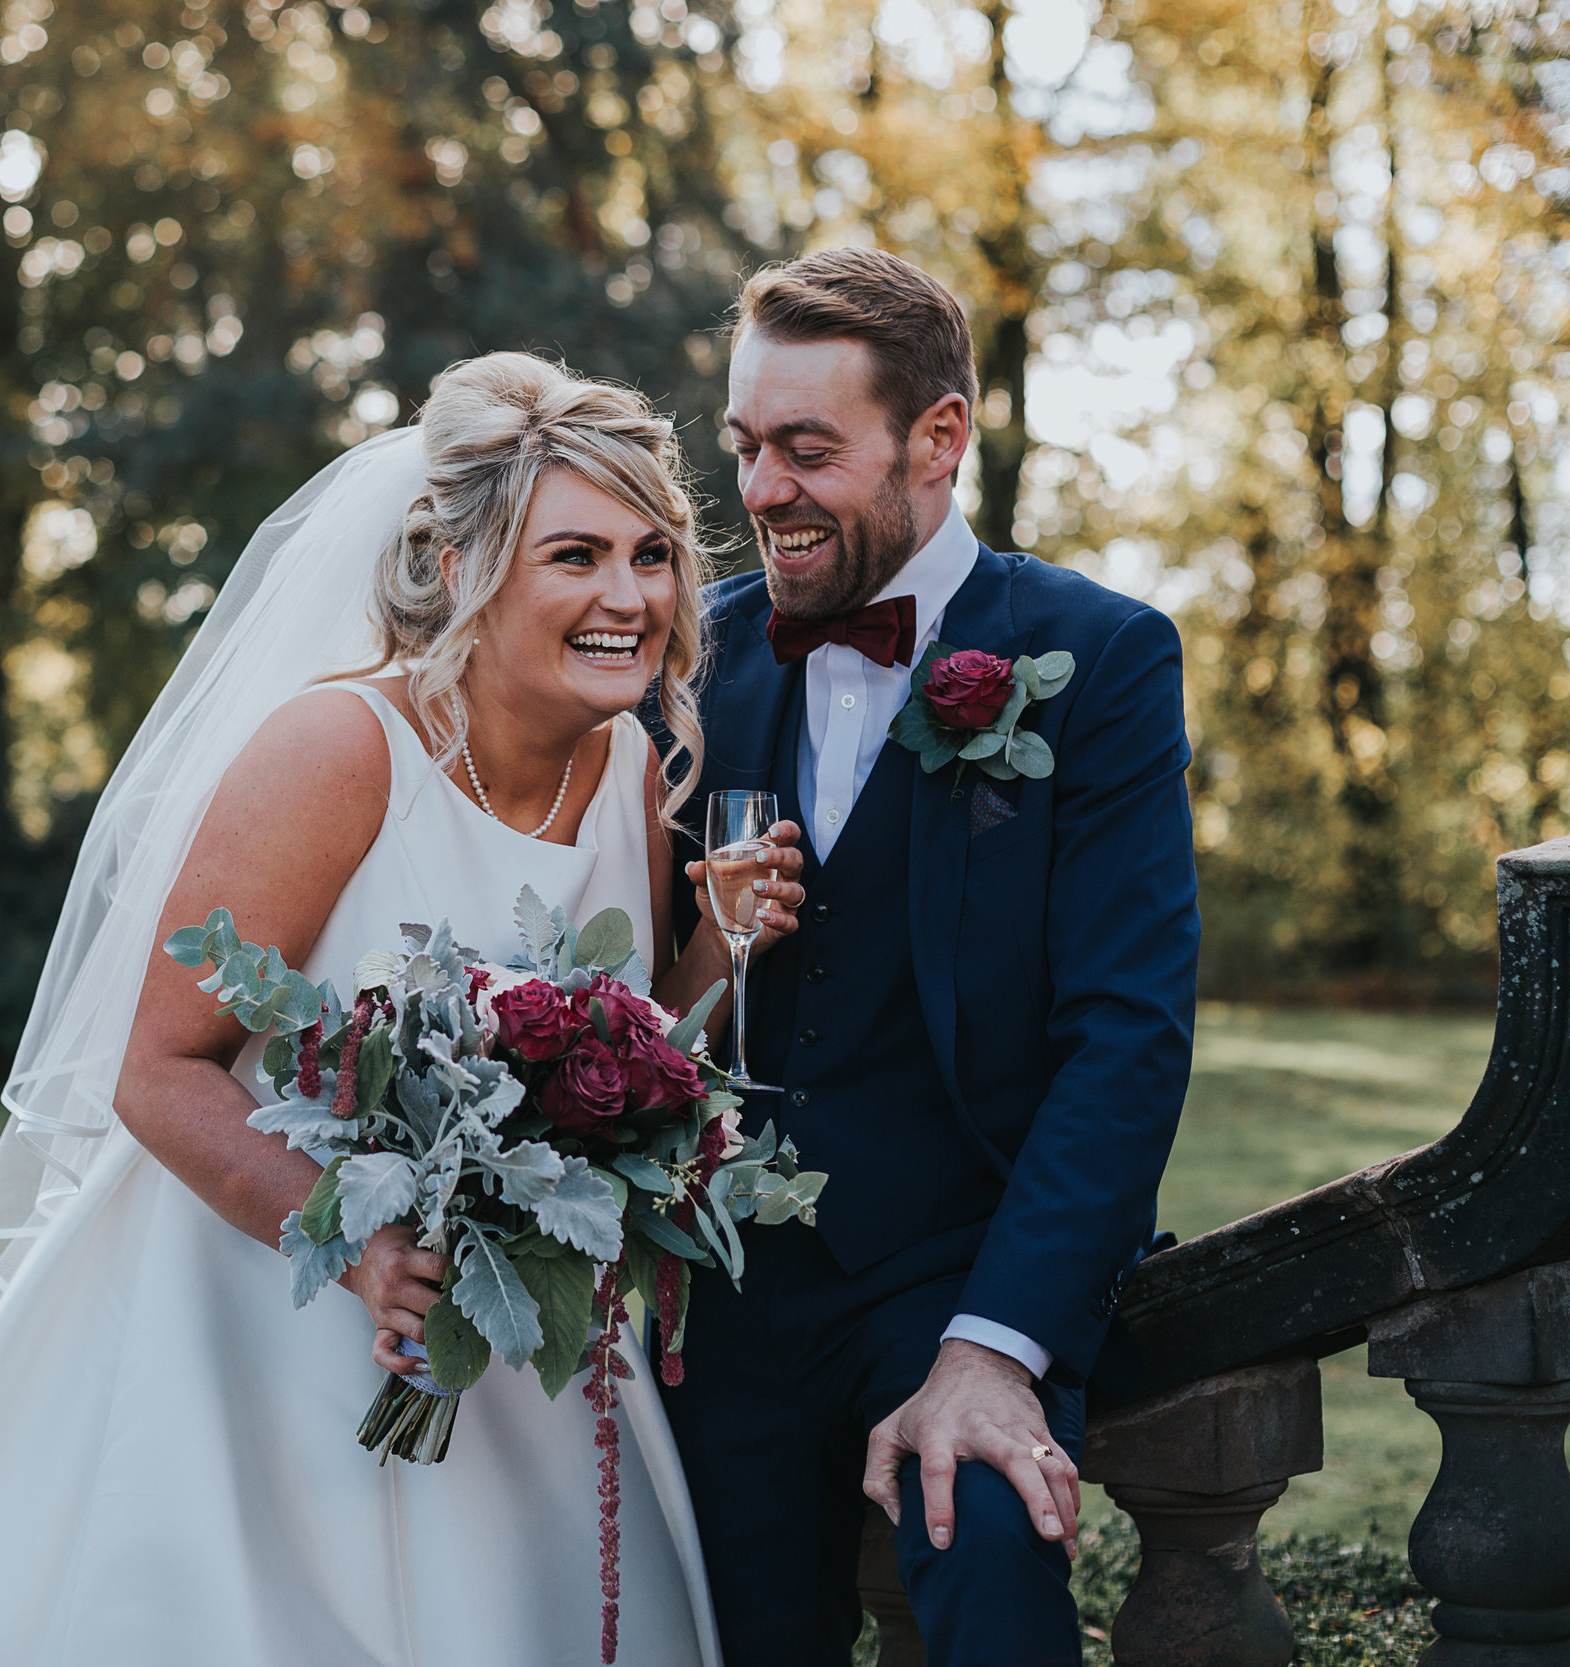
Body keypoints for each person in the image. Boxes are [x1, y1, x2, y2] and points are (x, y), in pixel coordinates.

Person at [0, 353, 807, 1667]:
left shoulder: (627, 760)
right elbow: (162, 1069)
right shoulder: (342, 748)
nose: (629, 598)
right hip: (253, 1321)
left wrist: (717, 955)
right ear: (466, 568)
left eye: (650, 555)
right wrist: (356, 1245)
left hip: (499, 1329)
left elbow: (603, 1056)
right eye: (574, 556)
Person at [659, 248, 1198, 1667]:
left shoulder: (1100, 657)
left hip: (967, 1261)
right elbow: (634, 985)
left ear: (939, 440)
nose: (761, 489)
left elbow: (1128, 1034)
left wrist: (995, 1345)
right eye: (747, 447)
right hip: (728, 1285)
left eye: (808, 449)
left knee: (989, 1555)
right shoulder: (696, 658)